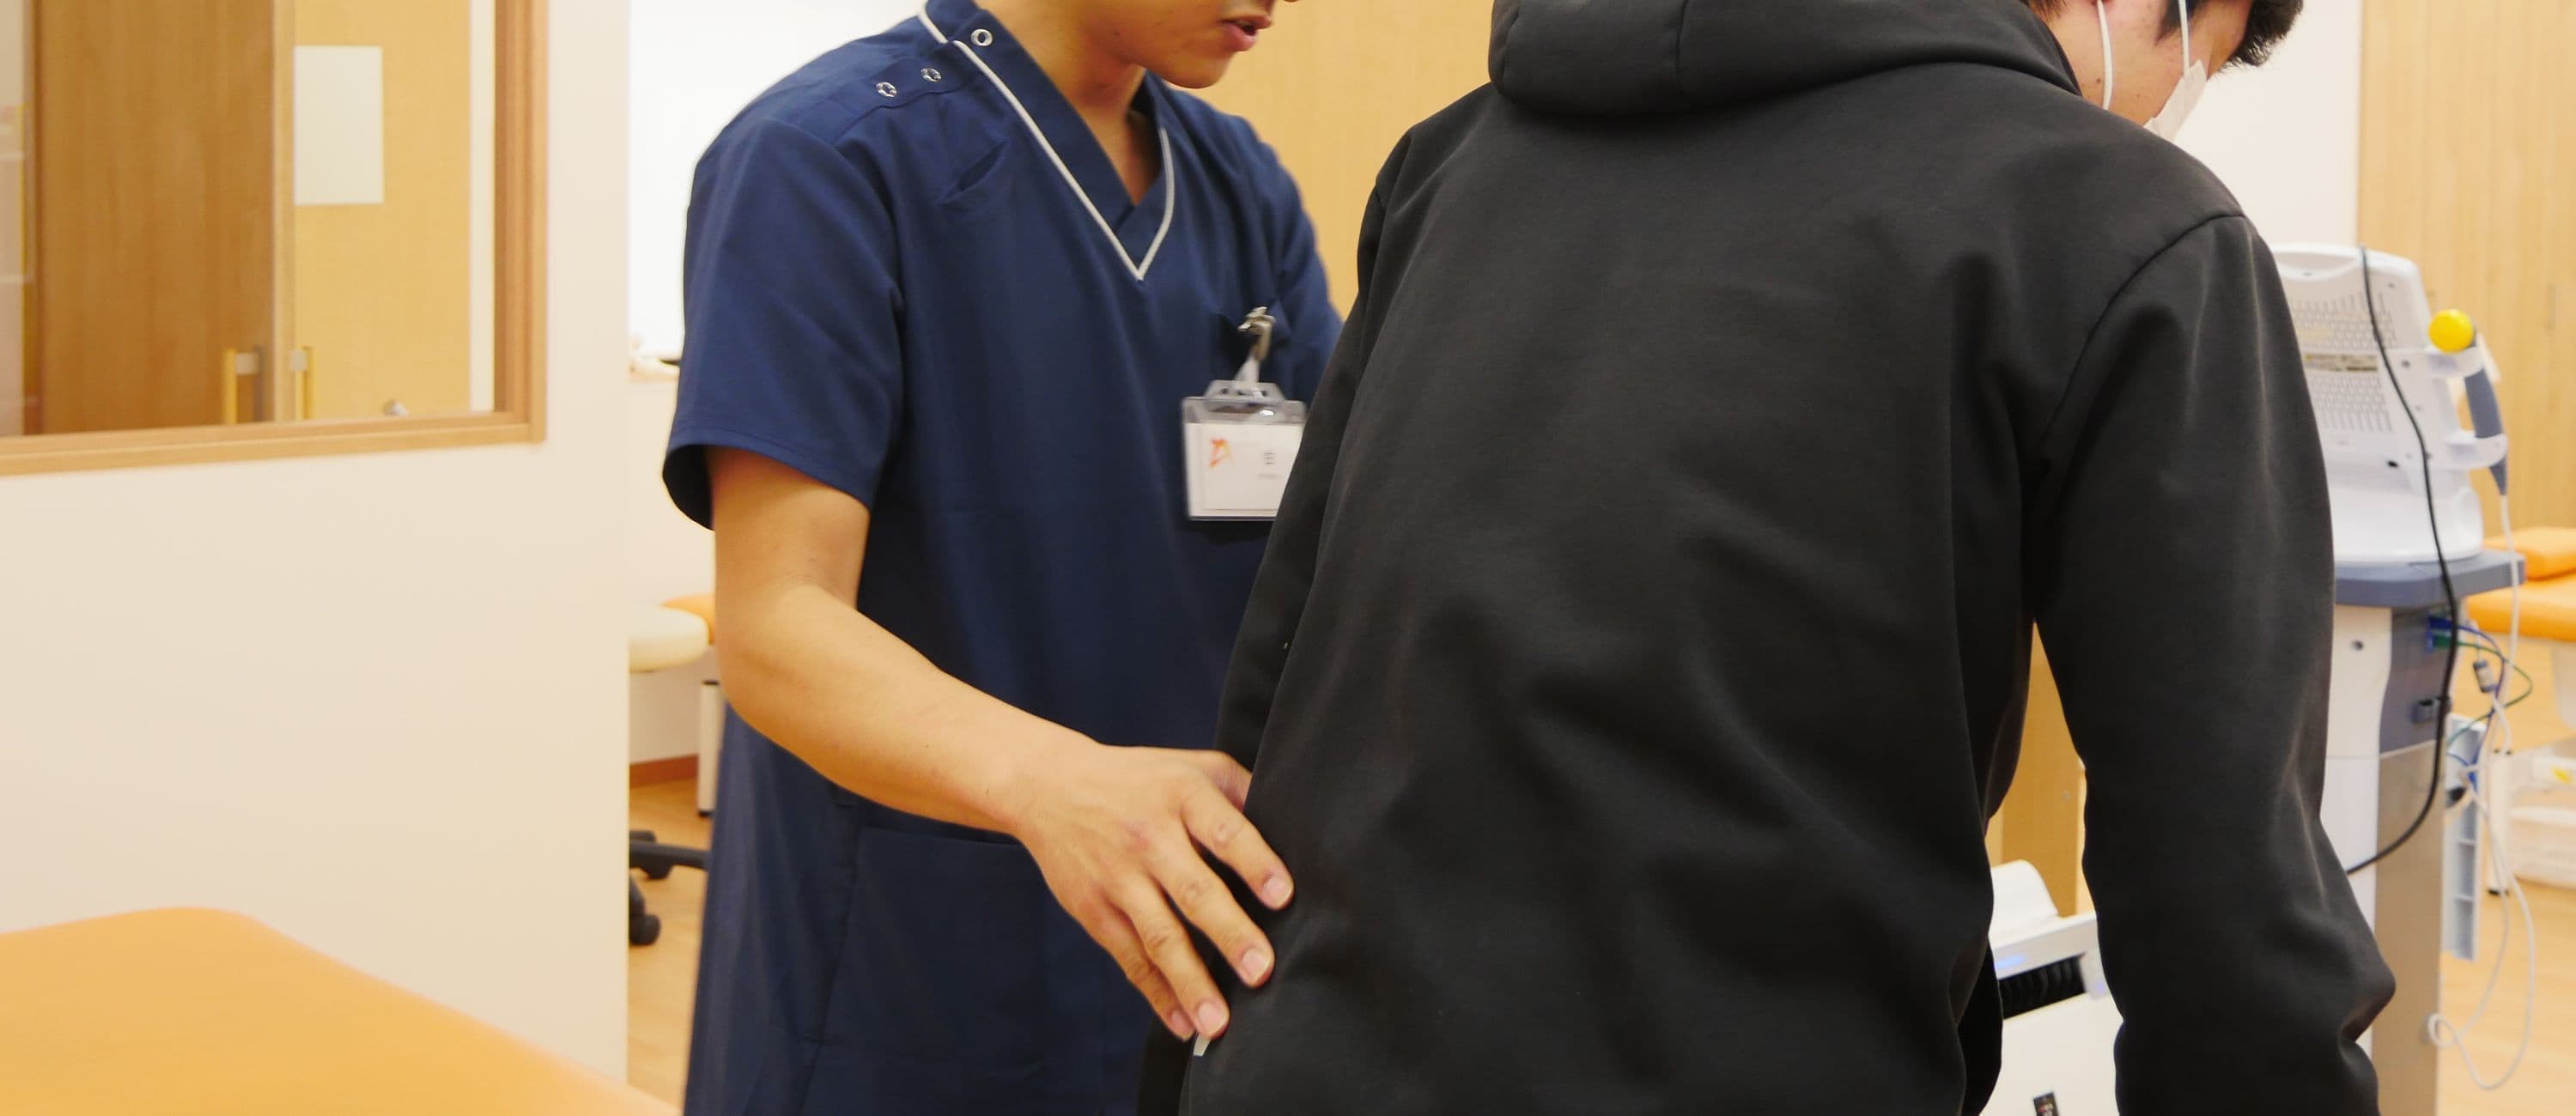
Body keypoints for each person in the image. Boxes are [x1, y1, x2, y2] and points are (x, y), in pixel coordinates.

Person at [1157, 0, 2392, 1113]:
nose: (2170, 107)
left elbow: (1284, 678)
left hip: (1308, 1062)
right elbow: (2227, 900)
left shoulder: (1451, 162)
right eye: (2202, 62)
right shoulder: (2128, 219)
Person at [663, 1, 1336, 1113]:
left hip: (1189, 929)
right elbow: (776, 625)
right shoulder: (824, 157)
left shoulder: (1236, 179)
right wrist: (1054, 784)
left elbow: (1331, 537)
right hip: (913, 960)